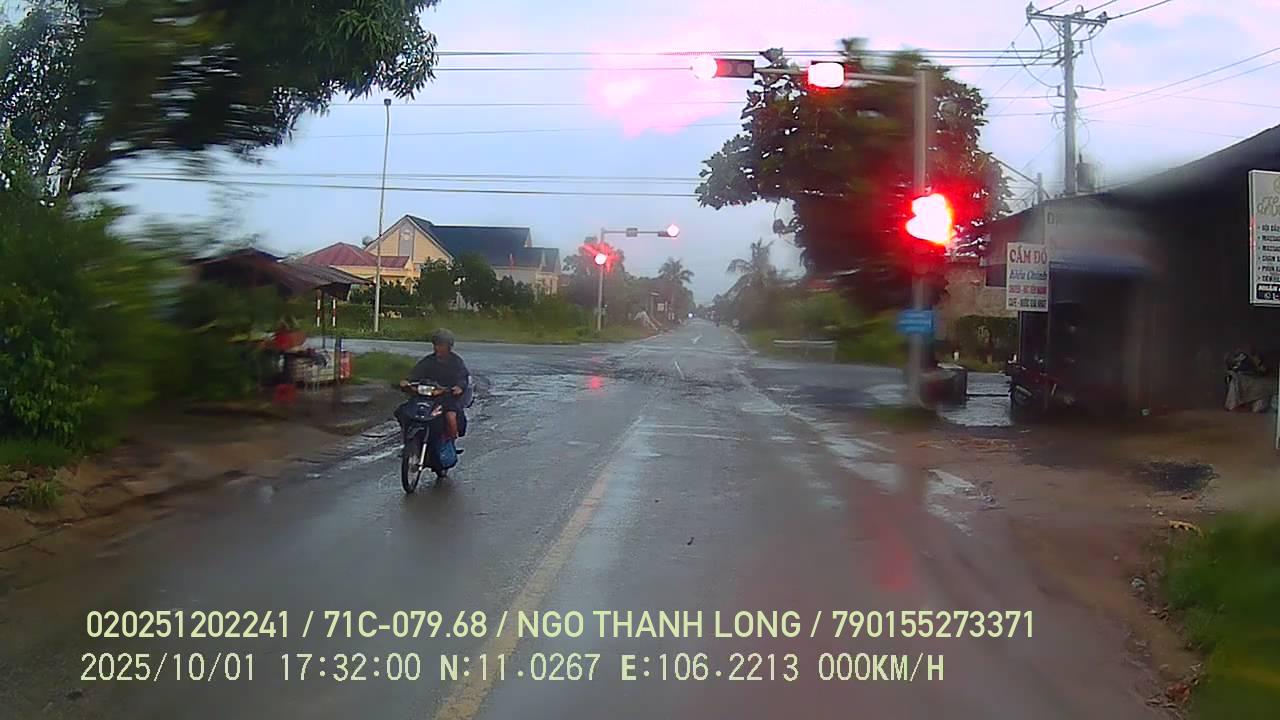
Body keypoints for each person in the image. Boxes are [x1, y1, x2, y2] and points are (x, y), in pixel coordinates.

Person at [400, 328, 469, 439]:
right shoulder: (428, 360)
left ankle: (448, 442)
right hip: (426, 396)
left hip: (446, 396)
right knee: (403, 411)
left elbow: (462, 377)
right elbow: (415, 373)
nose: (437, 348)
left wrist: (458, 387)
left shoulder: (456, 362)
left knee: (450, 416)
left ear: (449, 346)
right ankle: (407, 437)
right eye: (436, 344)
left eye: (441, 345)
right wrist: (406, 381)